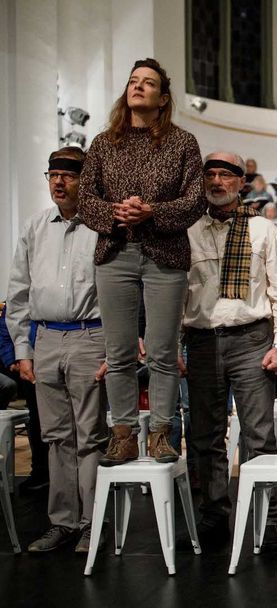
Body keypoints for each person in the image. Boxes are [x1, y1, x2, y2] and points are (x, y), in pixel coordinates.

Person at [78, 57, 204, 465]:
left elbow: (195, 200)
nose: (138, 87)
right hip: (115, 254)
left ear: (162, 97)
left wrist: (152, 212)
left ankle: (162, 433)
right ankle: (124, 434)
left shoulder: (182, 143)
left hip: (164, 254)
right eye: (134, 81)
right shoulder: (103, 143)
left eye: (148, 83)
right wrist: (117, 213)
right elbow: (85, 199)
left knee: (164, 350)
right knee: (117, 353)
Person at [182, 151, 277, 550]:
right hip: (200, 342)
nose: (217, 181)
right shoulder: (187, 230)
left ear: (240, 183)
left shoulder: (265, 230)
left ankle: (268, 521)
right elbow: (178, 294)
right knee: (205, 438)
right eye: (210, 174)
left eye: (225, 176)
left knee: (259, 436)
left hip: (252, 339)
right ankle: (214, 517)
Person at [6, 147, 109, 553]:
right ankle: (62, 522)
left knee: (90, 436)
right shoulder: (35, 227)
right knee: (55, 437)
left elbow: (122, 293)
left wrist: (114, 349)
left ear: (85, 181)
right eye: (52, 175)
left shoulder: (101, 226)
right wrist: (22, 348)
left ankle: (91, 523)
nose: (58, 182)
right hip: (45, 337)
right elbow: (18, 293)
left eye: (67, 176)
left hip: (90, 335)